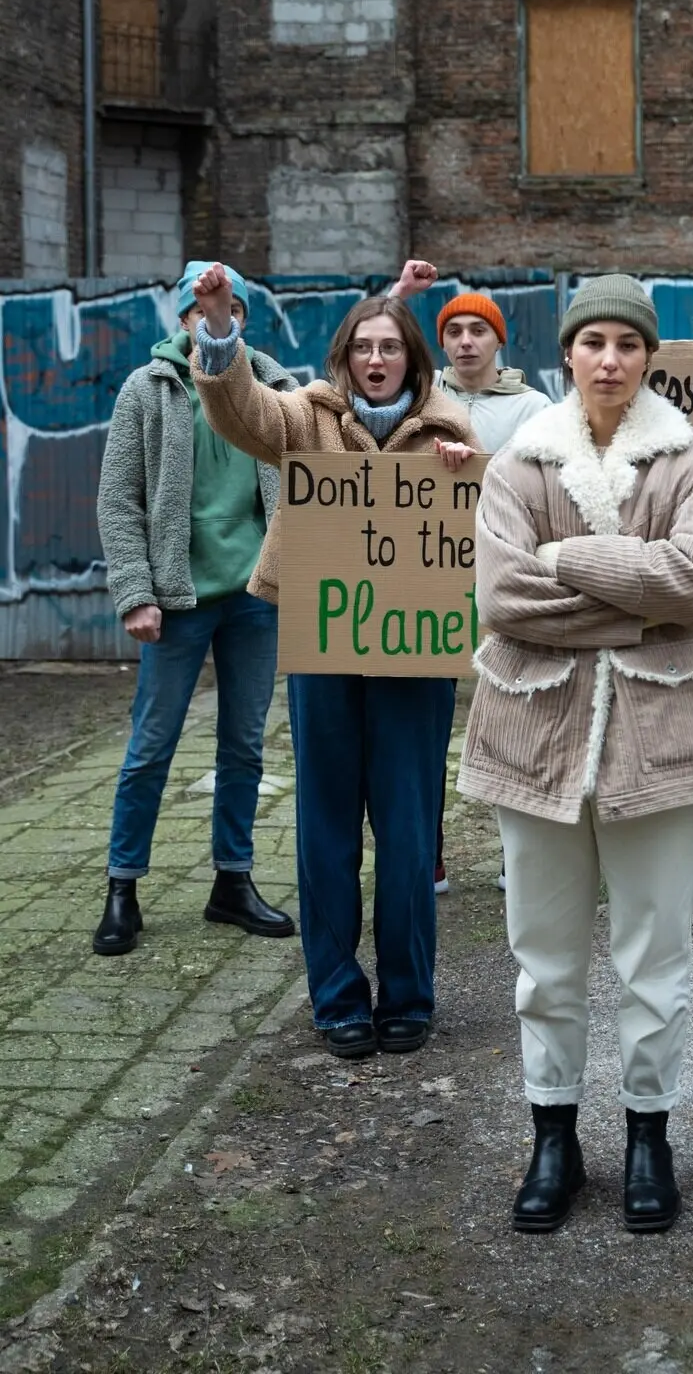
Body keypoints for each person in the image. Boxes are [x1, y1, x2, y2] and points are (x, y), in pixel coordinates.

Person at [458, 274, 693, 1235]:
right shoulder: (519, 464)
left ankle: (649, 1136)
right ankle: (554, 1135)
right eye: (593, 343)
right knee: (542, 955)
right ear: (567, 354)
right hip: (534, 733)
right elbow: (503, 600)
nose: (609, 359)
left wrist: (567, 561)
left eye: (627, 343)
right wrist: (635, 592)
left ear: (648, 356)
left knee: (653, 951)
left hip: (662, 734)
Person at [189, 264, 478, 1060]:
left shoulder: (451, 427)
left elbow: (476, 528)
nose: (377, 359)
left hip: (414, 658)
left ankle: (409, 996)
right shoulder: (306, 418)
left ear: (413, 361)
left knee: (411, 829)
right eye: (363, 348)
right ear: (343, 358)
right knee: (324, 826)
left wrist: (464, 474)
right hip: (323, 645)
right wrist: (219, 331)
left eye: (391, 347)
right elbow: (242, 412)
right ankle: (337, 995)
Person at [93, 262, 298, 957]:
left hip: (254, 599)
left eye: (231, 307)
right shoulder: (146, 389)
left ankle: (231, 883)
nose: (218, 317)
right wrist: (134, 592)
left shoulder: (272, 384)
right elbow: (118, 498)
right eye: (205, 309)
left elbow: (311, 475)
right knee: (151, 745)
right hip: (175, 602)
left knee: (244, 745)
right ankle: (122, 887)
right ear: (183, 318)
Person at [389, 262, 552, 893]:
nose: (464, 341)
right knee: (425, 729)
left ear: (497, 341)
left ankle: (522, 854)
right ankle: (428, 855)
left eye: (476, 331)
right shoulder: (420, 400)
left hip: (505, 575)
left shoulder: (534, 407)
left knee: (516, 718)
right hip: (428, 574)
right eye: (452, 330)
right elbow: (350, 374)